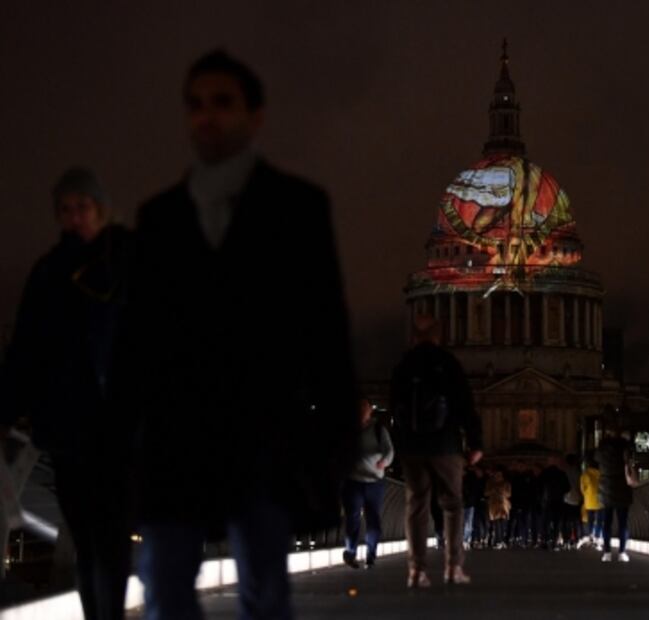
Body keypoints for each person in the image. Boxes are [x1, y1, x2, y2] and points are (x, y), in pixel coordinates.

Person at [121, 50, 358, 619]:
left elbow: (327, 335)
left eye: (222, 102)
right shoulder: (157, 216)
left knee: (263, 589)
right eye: (196, 104)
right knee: (164, 586)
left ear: (255, 116)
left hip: (264, 439)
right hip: (175, 442)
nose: (207, 116)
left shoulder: (299, 207)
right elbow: (137, 344)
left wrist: (333, 445)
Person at [0, 168, 133, 620]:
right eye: (65, 209)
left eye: (83, 206)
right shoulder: (48, 272)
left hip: (120, 427)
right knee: (88, 538)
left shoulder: (128, 260)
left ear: (101, 208)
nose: (74, 217)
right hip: (69, 428)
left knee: (110, 537)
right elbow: (25, 354)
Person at [390, 314, 483, 588]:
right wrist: (475, 443)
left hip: (413, 446)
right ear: (438, 336)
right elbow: (466, 405)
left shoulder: (403, 365)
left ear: (413, 337)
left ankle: (416, 571)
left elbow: (394, 406)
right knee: (453, 505)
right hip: (445, 444)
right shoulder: (448, 364)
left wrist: (401, 442)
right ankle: (453, 567)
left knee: (416, 505)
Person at [342, 398, 394, 569]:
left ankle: (370, 555)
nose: (360, 411)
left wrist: (384, 462)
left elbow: (389, 450)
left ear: (370, 410)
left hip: (374, 481)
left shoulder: (379, 429)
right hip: (353, 481)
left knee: (373, 520)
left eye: (364, 408)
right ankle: (350, 553)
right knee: (352, 519)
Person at [595, 425, 633, 562]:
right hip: (622, 485)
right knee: (623, 522)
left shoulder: (601, 448)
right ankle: (622, 552)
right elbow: (630, 463)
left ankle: (607, 553)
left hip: (606, 487)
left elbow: (596, 459)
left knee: (607, 522)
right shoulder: (625, 446)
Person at [484, 468, 512, 549]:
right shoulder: (490, 483)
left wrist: (501, 491)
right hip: (493, 506)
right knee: (496, 525)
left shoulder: (506, 483)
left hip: (503, 506)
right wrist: (493, 491)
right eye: (496, 475)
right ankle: (498, 541)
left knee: (502, 525)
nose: (497, 476)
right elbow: (486, 493)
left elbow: (509, 494)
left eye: (499, 475)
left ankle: (501, 541)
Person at [579, 457, 603, 549]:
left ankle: (590, 535)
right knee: (600, 520)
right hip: (600, 500)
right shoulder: (601, 474)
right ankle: (597, 536)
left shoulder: (585, 474)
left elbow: (582, 488)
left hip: (589, 501)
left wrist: (586, 495)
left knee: (590, 520)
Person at [561, 454, 584, 549]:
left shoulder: (564, 472)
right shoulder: (579, 473)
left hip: (566, 499)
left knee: (566, 521)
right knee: (576, 521)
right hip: (577, 499)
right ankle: (576, 540)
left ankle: (566, 540)